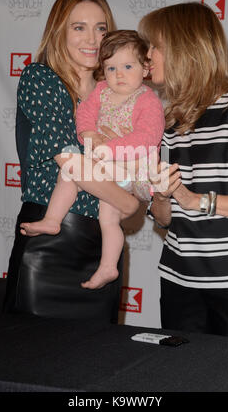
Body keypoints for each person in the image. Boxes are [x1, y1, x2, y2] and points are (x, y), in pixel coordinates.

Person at [3, 0, 140, 322]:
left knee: (96, 367)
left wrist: (134, 188)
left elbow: (137, 169)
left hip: (102, 250)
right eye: (78, 27)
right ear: (58, 32)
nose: (92, 39)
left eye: (100, 28)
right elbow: (70, 161)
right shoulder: (41, 78)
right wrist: (126, 203)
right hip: (47, 247)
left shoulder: (119, 94)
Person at [139, 1, 228, 340]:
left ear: (184, 49)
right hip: (178, 280)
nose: (147, 55)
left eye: (155, 46)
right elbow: (163, 219)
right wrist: (163, 197)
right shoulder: (168, 123)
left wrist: (198, 201)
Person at [20, 30, 165, 290]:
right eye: (110, 68)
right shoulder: (101, 91)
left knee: (94, 200)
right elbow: (85, 114)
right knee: (79, 187)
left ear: (145, 68)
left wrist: (109, 149)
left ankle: (106, 262)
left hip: (130, 168)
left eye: (127, 66)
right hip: (102, 167)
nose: (118, 74)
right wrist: (87, 132)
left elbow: (147, 137)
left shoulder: (148, 100)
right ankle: (57, 223)